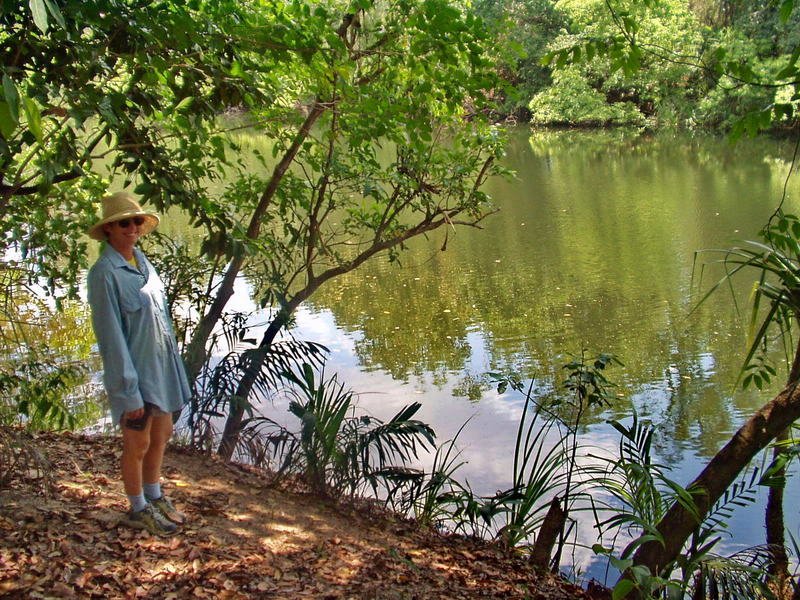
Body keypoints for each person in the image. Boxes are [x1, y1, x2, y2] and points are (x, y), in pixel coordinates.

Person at [87, 191, 192, 536]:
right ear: (108, 230)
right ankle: (137, 508)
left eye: (135, 221)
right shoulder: (104, 274)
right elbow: (111, 337)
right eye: (123, 223)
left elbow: (161, 318)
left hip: (161, 369)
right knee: (137, 443)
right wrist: (127, 391)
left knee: (162, 434)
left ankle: (154, 495)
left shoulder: (143, 262)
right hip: (134, 375)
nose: (131, 227)